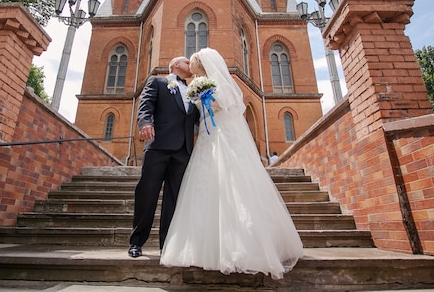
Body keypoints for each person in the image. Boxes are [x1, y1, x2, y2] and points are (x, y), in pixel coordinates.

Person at [160, 47, 304, 279]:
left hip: (224, 137)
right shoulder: (199, 84)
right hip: (207, 141)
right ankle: (202, 247)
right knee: (204, 187)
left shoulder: (221, 84)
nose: (193, 71)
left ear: (205, 66)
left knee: (232, 182)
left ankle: (242, 247)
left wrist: (206, 96)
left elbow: (230, 106)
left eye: (196, 67)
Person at [128, 56, 200, 258]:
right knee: (147, 194)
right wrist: (145, 124)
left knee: (174, 199)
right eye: (187, 62)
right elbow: (146, 105)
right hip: (158, 146)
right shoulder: (158, 82)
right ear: (176, 64)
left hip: (183, 150)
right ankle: (136, 242)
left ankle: (167, 245)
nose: (190, 65)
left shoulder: (195, 91)